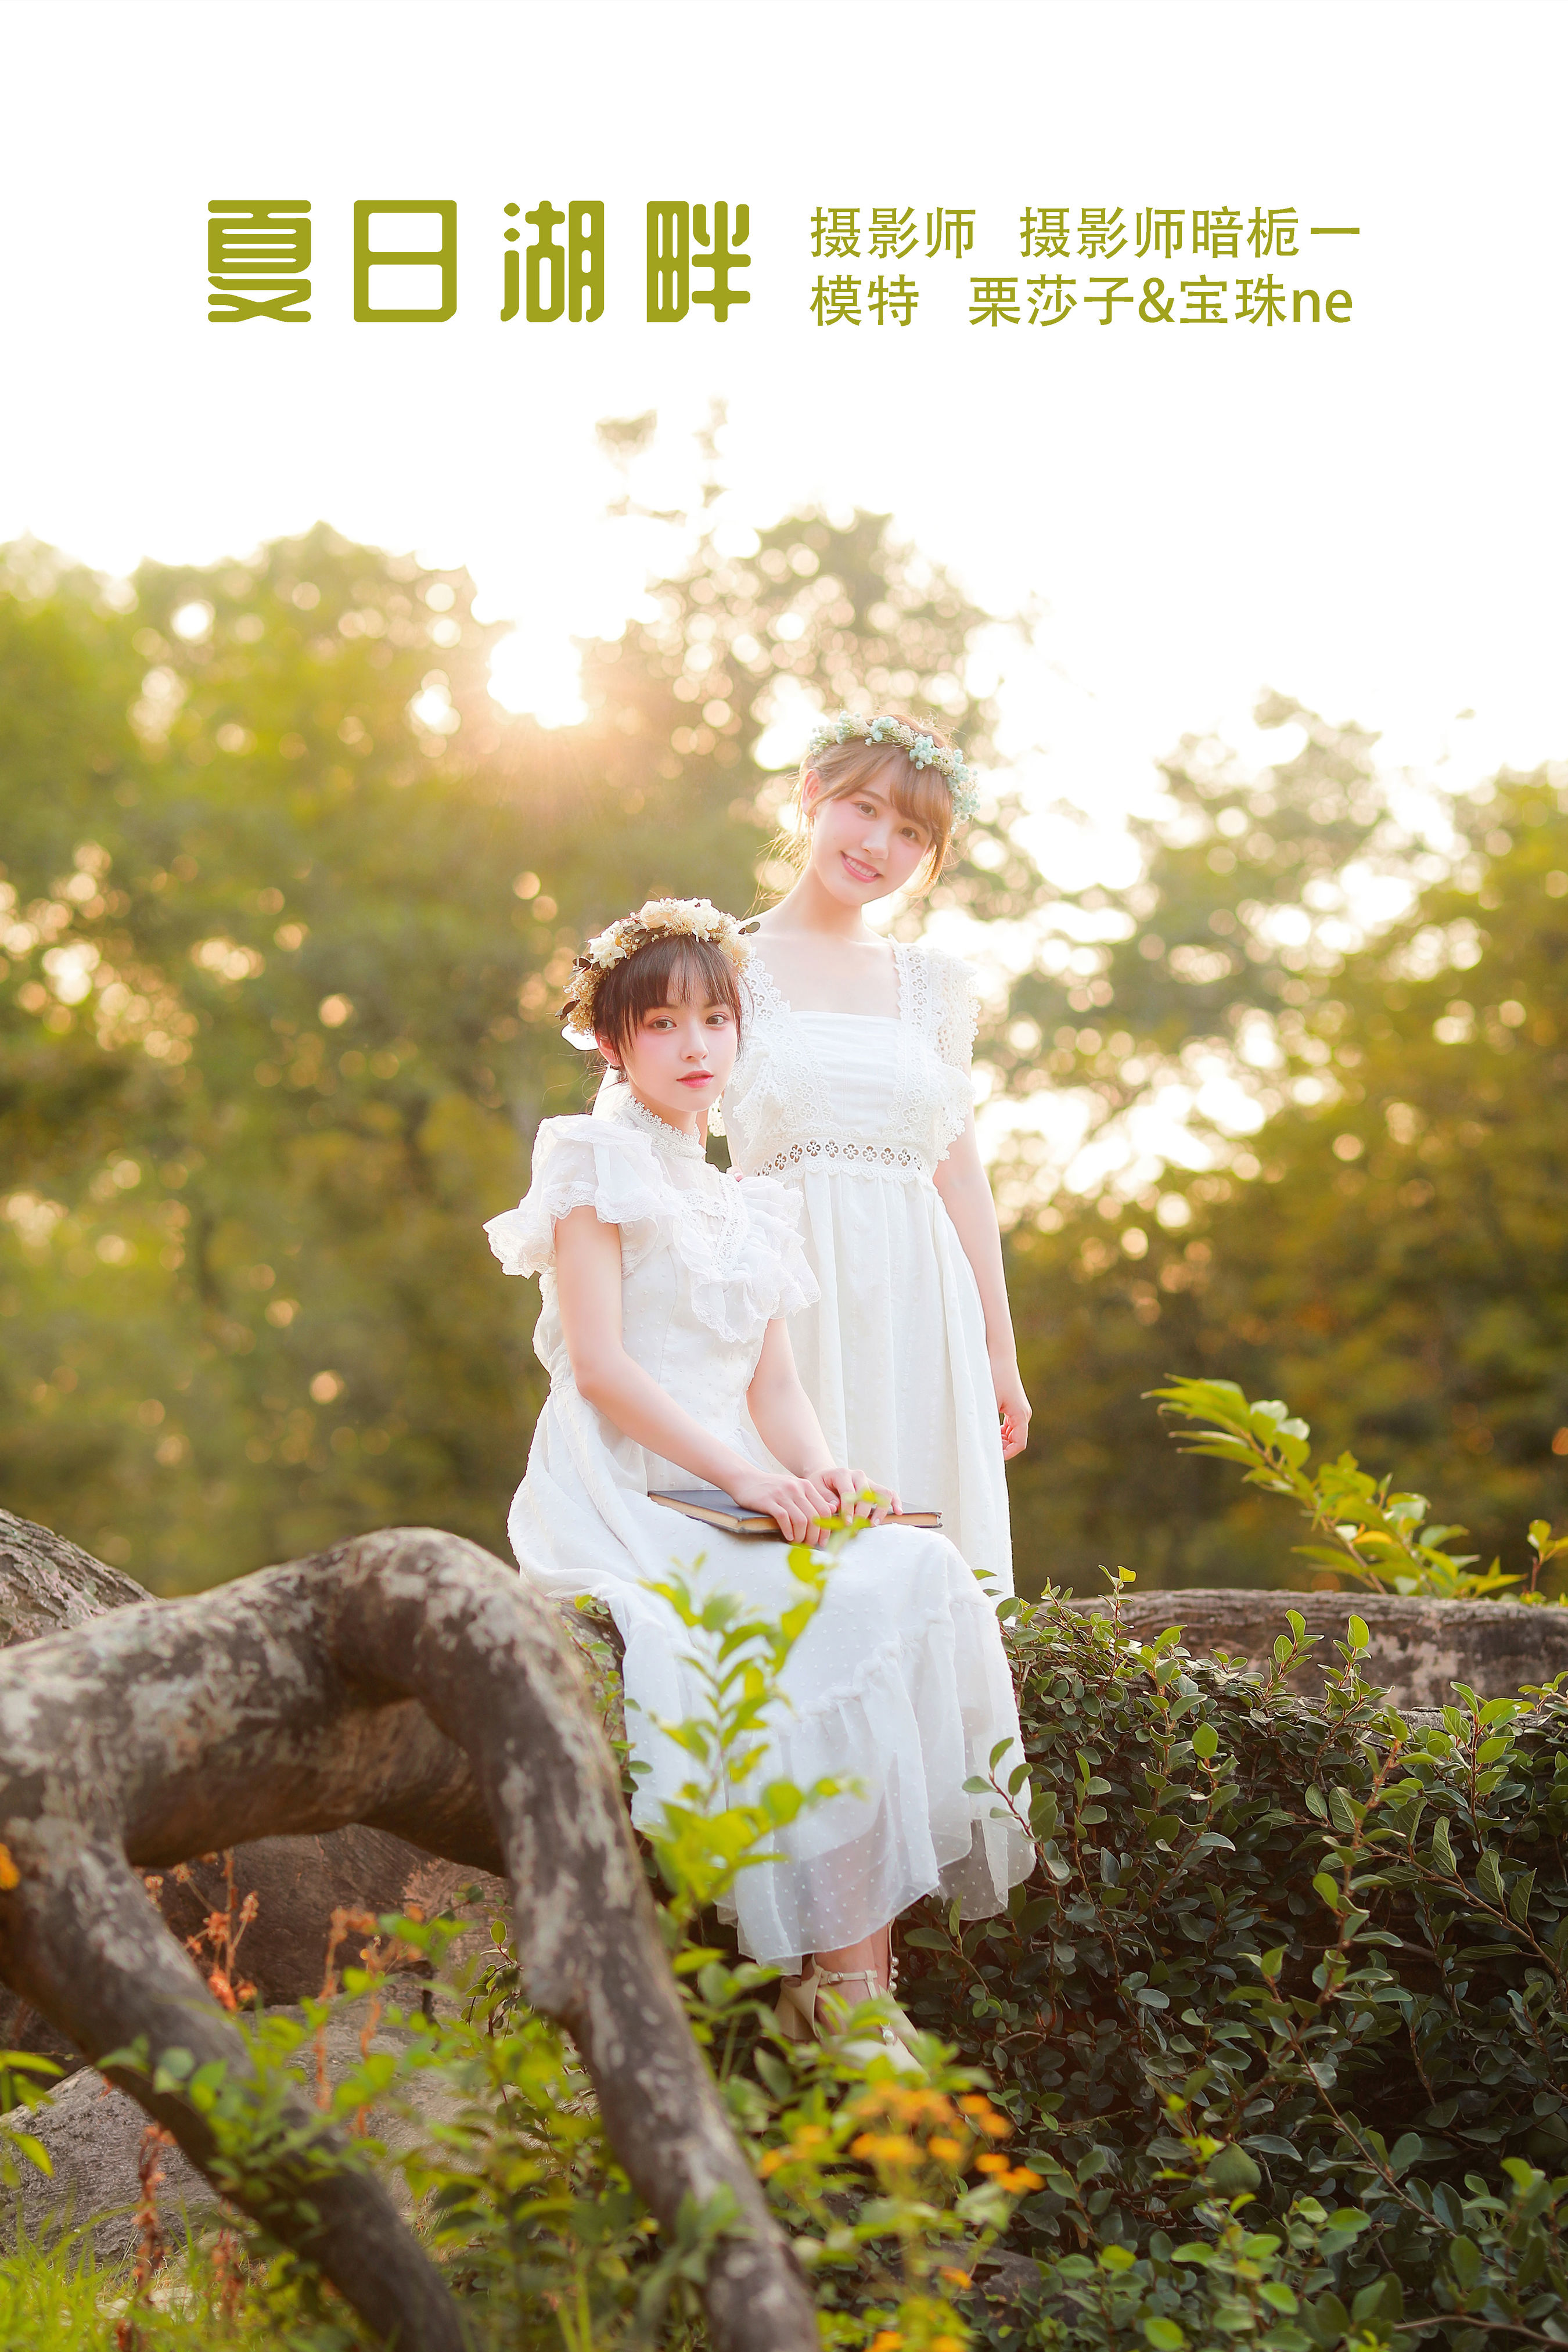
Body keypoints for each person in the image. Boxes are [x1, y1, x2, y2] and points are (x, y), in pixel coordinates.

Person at [485, 897, 1031, 2055]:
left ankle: (852, 1989)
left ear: (742, 1036)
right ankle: (846, 1998)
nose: (694, 1048)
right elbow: (604, 1372)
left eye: (716, 1022)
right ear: (611, 1041)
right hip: (627, 1483)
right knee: (810, 1615)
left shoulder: (746, 1197)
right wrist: (751, 1482)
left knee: (915, 1569)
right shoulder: (588, 1163)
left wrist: (828, 1475)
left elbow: (778, 1388)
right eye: (664, 1025)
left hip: (736, 1485)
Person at [720, 710, 1030, 1598]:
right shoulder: (724, 965)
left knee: (934, 1569)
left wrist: (998, 1353)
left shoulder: (935, 984)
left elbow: (961, 1174)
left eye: (911, 832)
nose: (878, 845)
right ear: (813, 795)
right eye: (863, 809)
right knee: (803, 1577)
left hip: (921, 1299)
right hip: (793, 1298)